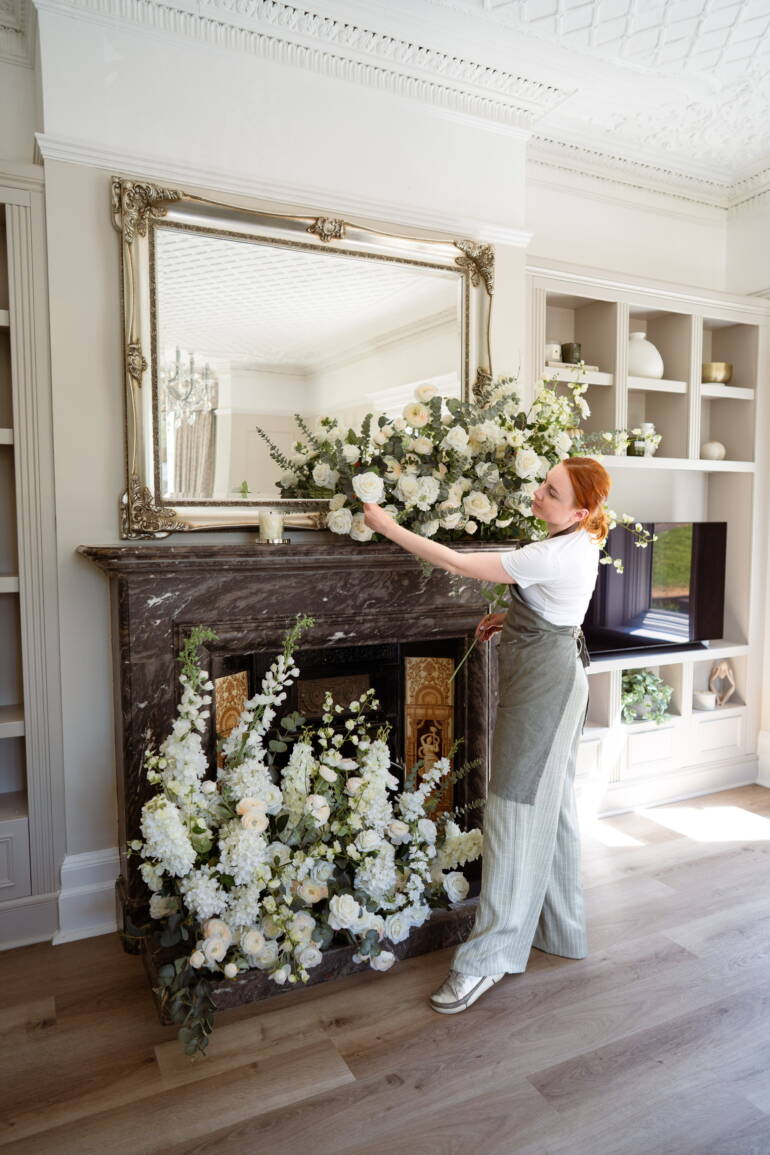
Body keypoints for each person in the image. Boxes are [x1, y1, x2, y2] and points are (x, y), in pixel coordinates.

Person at [362, 455, 611, 1014]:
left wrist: (388, 527)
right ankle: (561, 930)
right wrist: (513, 617)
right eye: (543, 483)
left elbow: (455, 561)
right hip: (558, 676)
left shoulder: (549, 553)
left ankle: (489, 960)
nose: (538, 494)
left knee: (512, 811)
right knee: (553, 805)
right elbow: (556, 608)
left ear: (581, 510)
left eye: (552, 491)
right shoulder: (573, 544)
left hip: (547, 691)